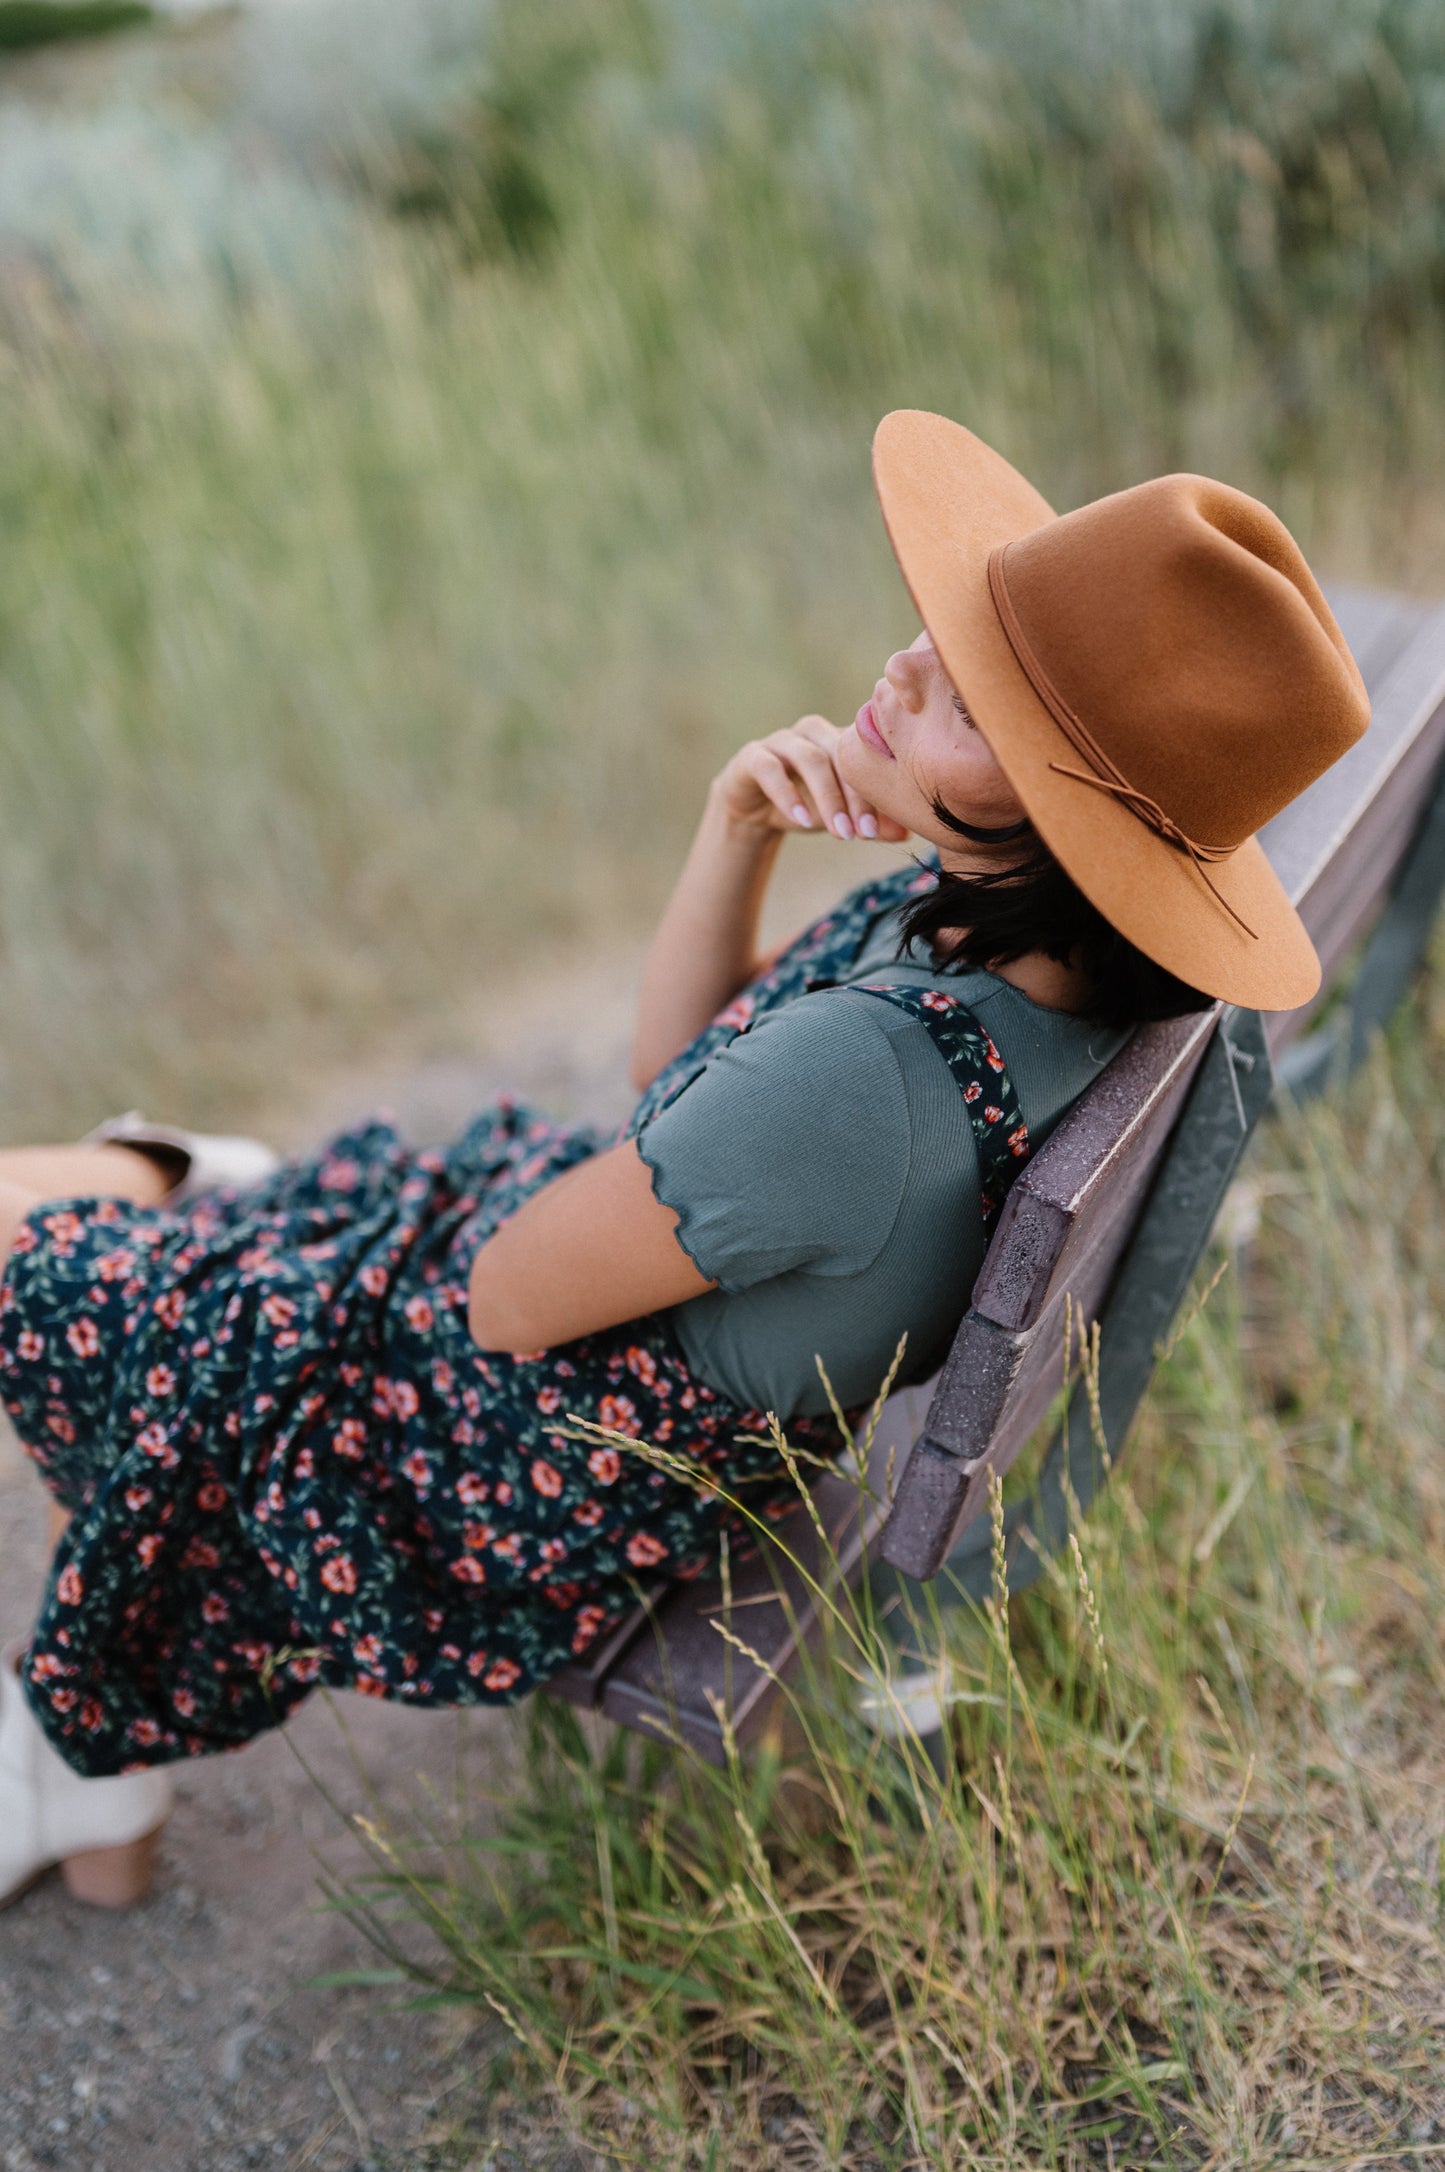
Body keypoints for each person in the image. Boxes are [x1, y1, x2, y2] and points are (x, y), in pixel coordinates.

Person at [0, 410, 1368, 1909]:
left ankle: (77, 1750)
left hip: (499, 1454)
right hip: (625, 1343)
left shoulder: (865, 1075)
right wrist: (738, 829)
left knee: (46, 1257)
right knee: (146, 1217)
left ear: (1053, 821)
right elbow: (676, 1093)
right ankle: (98, 1729)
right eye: (938, 629)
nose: (904, 663)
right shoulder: (1027, 975)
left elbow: (507, 1304)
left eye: (970, 697)